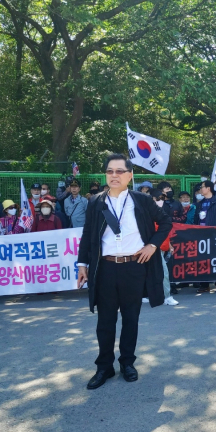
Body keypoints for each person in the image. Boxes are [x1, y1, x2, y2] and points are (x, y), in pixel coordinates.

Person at [77, 153, 172, 390]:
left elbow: (166, 223)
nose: (114, 175)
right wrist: (82, 264)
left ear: (130, 175)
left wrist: (152, 245)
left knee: (131, 318)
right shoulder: (96, 202)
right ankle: (104, 367)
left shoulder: (141, 200)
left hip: (134, 267)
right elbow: (88, 234)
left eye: (120, 171)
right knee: (105, 321)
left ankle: (127, 363)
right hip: (106, 267)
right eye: (110, 171)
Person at [194, 180, 216, 293]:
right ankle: (204, 284)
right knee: (203, 260)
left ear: (208, 188)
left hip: (215, 235)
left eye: (202, 187)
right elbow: (195, 220)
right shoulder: (200, 203)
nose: (200, 189)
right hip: (202, 236)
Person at [149, 189, 178, 306]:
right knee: (162, 272)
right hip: (152, 248)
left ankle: (165, 296)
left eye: (162, 199)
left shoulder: (162, 212)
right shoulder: (147, 214)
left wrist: (169, 244)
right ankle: (166, 296)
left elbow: (165, 231)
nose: (161, 201)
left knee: (162, 272)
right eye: (159, 198)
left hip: (161, 247)